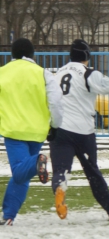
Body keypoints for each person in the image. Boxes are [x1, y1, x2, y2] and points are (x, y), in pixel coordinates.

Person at [49, 39, 109, 221]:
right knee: (93, 174)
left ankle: (60, 186)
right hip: (84, 132)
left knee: (60, 169)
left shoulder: (57, 73)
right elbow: (107, 86)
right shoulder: (88, 73)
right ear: (87, 57)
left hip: (60, 129)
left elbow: (50, 99)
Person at [0, 38, 63, 226]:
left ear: (12, 54)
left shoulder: (2, 73)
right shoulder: (43, 73)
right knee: (23, 174)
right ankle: (8, 215)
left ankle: (37, 163)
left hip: (13, 129)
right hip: (37, 131)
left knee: (20, 171)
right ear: (32, 54)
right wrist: (55, 125)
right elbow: (56, 102)